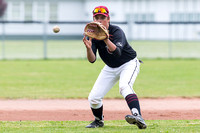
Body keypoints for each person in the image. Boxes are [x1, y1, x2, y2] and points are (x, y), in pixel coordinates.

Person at [82, 5, 147, 129]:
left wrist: (106, 39)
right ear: (93, 19)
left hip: (128, 63)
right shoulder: (93, 35)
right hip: (110, 67)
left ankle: (137, 115)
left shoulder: (116, 31)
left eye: (103, 18)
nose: (99, 20)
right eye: (97, 18)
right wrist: (89, 48)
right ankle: (98, 121)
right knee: (94, 97)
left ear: (108, 19)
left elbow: (117, 52)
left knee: (124, 86)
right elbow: (92, 60)